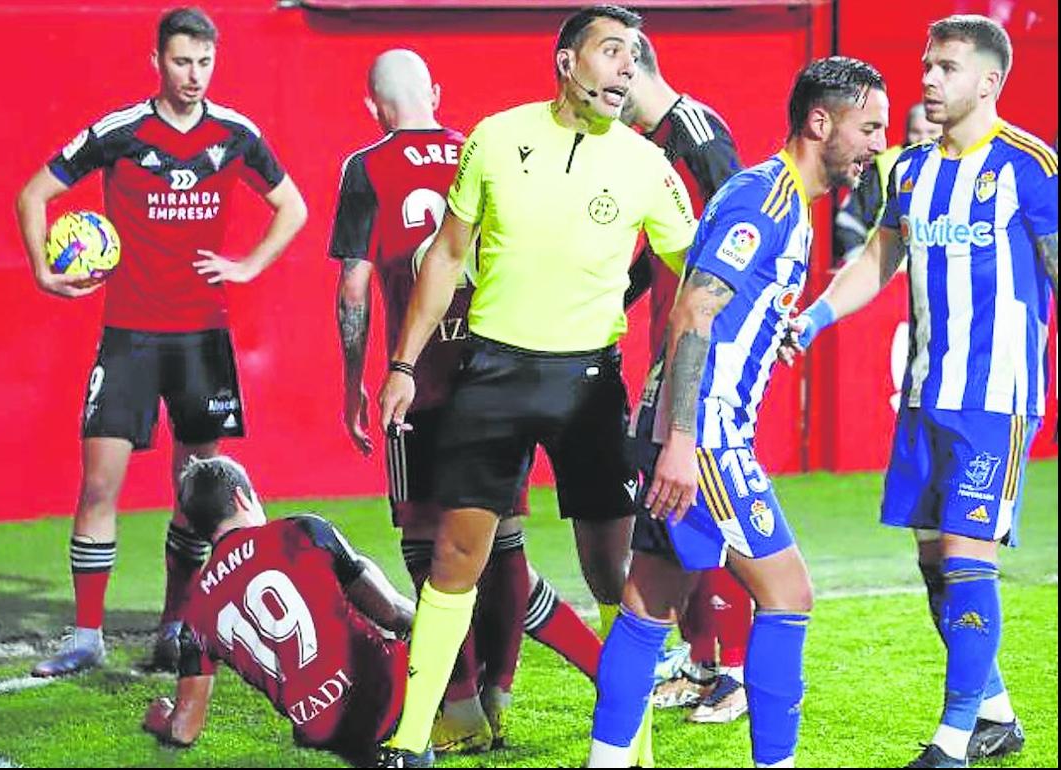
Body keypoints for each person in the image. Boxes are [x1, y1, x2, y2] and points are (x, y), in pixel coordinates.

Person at [375, 6, 698, 765]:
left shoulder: (648, 165)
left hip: (588, 385)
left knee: (613, 573)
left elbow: (699, 279)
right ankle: (414, 738)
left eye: (635, 56)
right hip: (492, 374)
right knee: (457, 555)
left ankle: (634, 744)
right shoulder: (495, 136)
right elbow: (447, 257)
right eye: (611, 50)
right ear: (566, 61)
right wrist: (401, 363)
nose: (626, 68)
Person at [588, 56, 887, 768]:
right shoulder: (767, 199)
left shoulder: (781, 200)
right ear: (822, 122)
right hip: (707, 433)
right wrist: (685, 442)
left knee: (645, 609)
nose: (878, 143)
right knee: (789, 595)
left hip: (684, 425)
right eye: (868, 126)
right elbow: (692, 312)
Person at [785, 15, 1055, 768]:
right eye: (927, 65)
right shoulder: (907, 170)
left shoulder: (1029, 165)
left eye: (946, 67)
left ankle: (953, 740)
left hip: (995, 396)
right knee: (935, 561)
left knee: (968, 559)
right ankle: (996, 714)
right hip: (925, 392)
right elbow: (881, 256)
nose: (928, 79)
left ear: (990, 81)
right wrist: (813, 318)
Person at [15, 6, 308, 677]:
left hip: (202, 339)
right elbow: (34, 194)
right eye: (182, 61)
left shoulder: (236, 134)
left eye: (205, 62)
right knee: (99, 484)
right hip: (129, 338)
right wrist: (42, 268)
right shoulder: (120, 132)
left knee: (197, 488)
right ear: (157, 61)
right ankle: (85, 633)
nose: (194, 75)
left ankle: (177, 624)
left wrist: (249, 264)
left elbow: (294, 207)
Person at [331, 49, 602, 753]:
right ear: (438, 91)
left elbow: (355, 287)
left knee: (427, 544)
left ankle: (459, 704)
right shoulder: (485, 149)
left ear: (372, 106)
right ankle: (506, 692)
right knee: (503, 541)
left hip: (421, 380)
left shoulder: (366, 167)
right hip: (501, 374)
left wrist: (355, 383)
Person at [619, 28, 752, 725]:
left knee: (699, 499)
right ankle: (703, 658)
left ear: (634, 64)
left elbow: (739, 233)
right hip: (666, 344)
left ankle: (732, 670)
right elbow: (664, 247)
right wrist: (618, 295)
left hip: (701, 353)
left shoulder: (696, 131)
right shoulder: (645, 144)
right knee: (671, 502)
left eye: (611, 67)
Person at [140, 455, 419, 767]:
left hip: (319, 728)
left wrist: (159, 717)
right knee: (357, 574)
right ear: (241, 497)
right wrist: (439, 627)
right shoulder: (299, 531)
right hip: (385, 692)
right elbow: (390, 613)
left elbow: (184, 730)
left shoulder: (195, 615)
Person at [834, 102, 942, 264]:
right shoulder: (886, 164)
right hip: (887, 281)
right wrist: (859, 267)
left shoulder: (964, 165)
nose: (923, 139)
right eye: (916, 132)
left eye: (931, 132)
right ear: (906, 133)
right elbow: (849, 221)